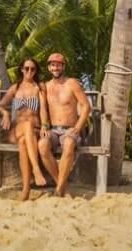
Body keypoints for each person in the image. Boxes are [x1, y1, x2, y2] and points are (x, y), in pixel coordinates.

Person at [0, 57, 49, 201]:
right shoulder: (16, 87)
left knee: (24, 143)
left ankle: (26, 189)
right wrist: (5, 113)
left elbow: (43, 109)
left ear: (36, 70)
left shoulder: (39, 86)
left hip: (35, 129)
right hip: (17, 129)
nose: (30, 71)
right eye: (26, 68)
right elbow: (0, 105)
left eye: (33, 69)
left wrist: (44, 125)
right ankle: (36, 169)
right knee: (26, 126)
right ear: (21, 69)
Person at [37, 52, 90, 197]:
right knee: (42, 146)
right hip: (52, 130)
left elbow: (85, 106)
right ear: (49, 68)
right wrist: (43, 125)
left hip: (70, 130)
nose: (56, 68)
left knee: (68, 143)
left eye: (59, 65)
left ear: (63, 67)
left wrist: (78, 128)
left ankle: (58, 189)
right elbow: (42, 109)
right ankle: (62, 185)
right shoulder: (45, 87)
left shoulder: (72, 83)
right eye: (53, 65)